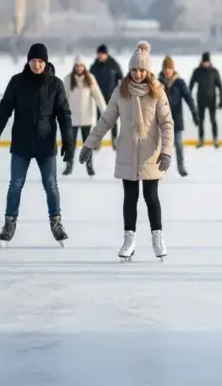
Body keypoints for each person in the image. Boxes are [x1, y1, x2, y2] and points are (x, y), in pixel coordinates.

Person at [80, 41, 174, 262]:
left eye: (141, 70)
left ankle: (157, 237)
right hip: (127, 152)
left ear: (147, 70)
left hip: (150, 153)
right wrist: (89, 143)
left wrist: (167, 151)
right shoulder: (120, 91)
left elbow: (167, 123)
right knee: (130, 198)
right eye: (134, 69)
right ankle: (129, 240)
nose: (137, 74)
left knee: (151, 197)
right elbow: (106, 120)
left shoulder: (157, 91)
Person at [0, 43, 75, 246]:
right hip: (22, 143)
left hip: (46, 144)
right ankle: (9, 224)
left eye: (41, 61)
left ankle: (56, 223)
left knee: (51, 184)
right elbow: (4, 109)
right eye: (34, 61)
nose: (37, 65)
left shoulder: (55, 84)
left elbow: (64, 115)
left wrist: (68, 141)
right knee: (15, 185)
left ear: (46, 63)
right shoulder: (17, 82)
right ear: (28, 61)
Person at [64, 56, 106, 177]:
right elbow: (63, 98)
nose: (79, 68)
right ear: (74, 66)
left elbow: (98, 96)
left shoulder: (90, 78)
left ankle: (89, 166)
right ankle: (69, 166)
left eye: (81, 66)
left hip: (87, 119)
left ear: (84, 67)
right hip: (72, 119)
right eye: (77, 66)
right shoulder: (68, 79)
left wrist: (105, 111)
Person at [158, 56, 198, 176]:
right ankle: (158, 169)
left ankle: (181, 167)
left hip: (176, 120)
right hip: (161, 120)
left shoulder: (180, 83)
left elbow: (189, 98)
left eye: (170, 68)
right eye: (166, 68)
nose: (167, 71)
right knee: (160, 147)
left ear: (173, 69)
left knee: (179, 145)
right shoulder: (157, 83)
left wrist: (194, 113)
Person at [90, 44, 124, 149]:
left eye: (103, 54)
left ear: (106, 54)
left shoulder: (114, 65)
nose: (101, 55)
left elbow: (121, 79)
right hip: (98, 98)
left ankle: (114, 140)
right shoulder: (94, 67)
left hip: (112, 97)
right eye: (99, 54)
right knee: (99, 121)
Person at [190, 51, 222, 148]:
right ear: (202, 61)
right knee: (201, 121)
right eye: (204, 62)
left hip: (211, 100)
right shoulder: (197, 71)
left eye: (207, 62)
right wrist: (190, 100)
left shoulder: (214, 72)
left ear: (209, 62)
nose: (206, 64)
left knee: (213, 120)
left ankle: (215, 140)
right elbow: (191, 85)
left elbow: (220, 86)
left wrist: (221, 101)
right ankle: (201, 140)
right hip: (200, 100)